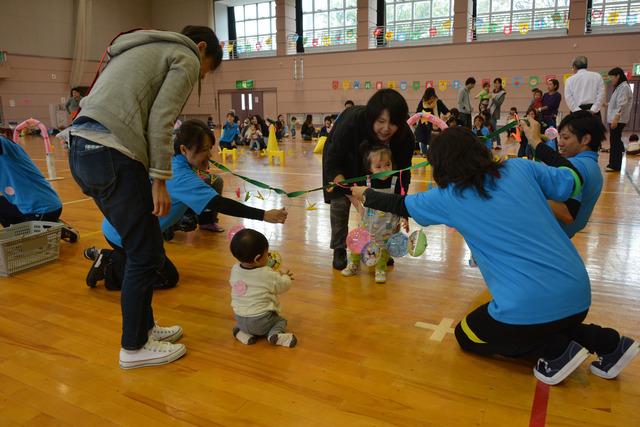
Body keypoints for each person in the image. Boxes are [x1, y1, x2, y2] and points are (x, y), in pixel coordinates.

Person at [349, 127, 639, 386]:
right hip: (578, 295)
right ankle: (610, 342)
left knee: (467, 335)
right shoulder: (520, 169)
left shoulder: (448, 197)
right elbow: (572, 181)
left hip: (528, 305)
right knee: (552, 320)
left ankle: (555, 352)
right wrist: (538, 144)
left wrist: (364, 193)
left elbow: (400, 204)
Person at [60, 26, 224, 369]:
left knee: (144, 248)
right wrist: (160, 179)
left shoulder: (137, 49)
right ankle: (133, 348)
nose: (200, 76)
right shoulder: (184, 55)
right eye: (205, 70)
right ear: (201, 47)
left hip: (82, 151)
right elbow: (162, 120)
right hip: (111, 153)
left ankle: (145, 328)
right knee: (146, 253)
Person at [84, 119, 288, 290]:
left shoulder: (170, 160)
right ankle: (110, 266)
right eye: (205, 150)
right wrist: (264, 215)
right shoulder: (180, 176)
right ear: (184, 149)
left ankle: (115, 258)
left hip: (121, 227)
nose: (210, 155)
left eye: (210, 149)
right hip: (126, 236)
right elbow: (220, 204)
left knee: (161, 271)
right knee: (166, 278)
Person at [323, 88, 414, 271]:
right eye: (381, 121)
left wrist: (400, 207)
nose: (386, 128)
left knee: (384, 206)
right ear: (371, 117)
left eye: (393, 123)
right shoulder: (351, 123)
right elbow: (333, 161)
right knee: (340, 203)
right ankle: (339, 248)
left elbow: (404, 173)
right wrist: (350, 193)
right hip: (346, 165)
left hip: (380, 169)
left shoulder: (404, 137)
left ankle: (382, 248)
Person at [520, 111, 605, 238]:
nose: (560, 143)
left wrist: (526, 194)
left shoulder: (577, 166)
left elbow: (566, 213)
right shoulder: (593, 167)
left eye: (566, 138)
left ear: (585, 139)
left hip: (546, 238)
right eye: (560, 137)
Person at [341, 145, 407, 283]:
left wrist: (404, 218)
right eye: (378, 166)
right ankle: (353, 264)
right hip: (367, 224)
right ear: (370, 168)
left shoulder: (396, 182)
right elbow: (349, 189)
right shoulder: (367, 181)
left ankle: (380, 269)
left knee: (383, 249)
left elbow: (401, 203)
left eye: (387, 164)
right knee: (359, 244)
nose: (384, 170)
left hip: (387, 226)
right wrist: (338, 185)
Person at [0, 136, 78, 242]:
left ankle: (52, 229)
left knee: (22, 245)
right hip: (32, 208)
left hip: (42, 209)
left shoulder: (5, 145)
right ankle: (50, 227)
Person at [229, 228, 297, 347]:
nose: (269, 256)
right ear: (257, 259)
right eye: (267, 254)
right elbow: (282, 286)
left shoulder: (235, 269)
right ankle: (274, 335)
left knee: (245, 323)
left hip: (239, 318)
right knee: (281, 321)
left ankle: (241, 333)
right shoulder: (267, 273)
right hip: (261, 321)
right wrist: (286, 277)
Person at [605, 67, 633, 172]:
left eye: (612, 77)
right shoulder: (620, 87)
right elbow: (617, 103)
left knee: (615, 142)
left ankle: (615, 165)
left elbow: (622, 104)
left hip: (618, 120)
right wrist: (606, 104)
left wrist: (616, 119)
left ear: (618, 76)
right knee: (615, 141)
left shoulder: (624, 87)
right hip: (616, 118)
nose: (611, 80)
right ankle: (614, 164)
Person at [415, 87, 450, 157]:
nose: (431, 99)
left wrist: (446, 116)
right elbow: (417, 113)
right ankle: (424, 155)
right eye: (429, 97)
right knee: (423, 140)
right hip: (423, 125)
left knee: (435, 142)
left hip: (434, 127)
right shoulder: (422, 102)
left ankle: (435, 155)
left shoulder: (438, 102)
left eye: (432, 97)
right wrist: (423, 116)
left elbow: (447, 112)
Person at [488, 78, 506, 149]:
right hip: (489, 112)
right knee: (490, 129)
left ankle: (499, 144)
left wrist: (493, 98)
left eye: (498, 83)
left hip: (494, 113)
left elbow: (499, 104)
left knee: (494, 129)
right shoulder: (493, 91)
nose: (496, 84)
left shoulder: (502, 93)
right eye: (495, 83)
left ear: (500, 84)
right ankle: (492, 144)